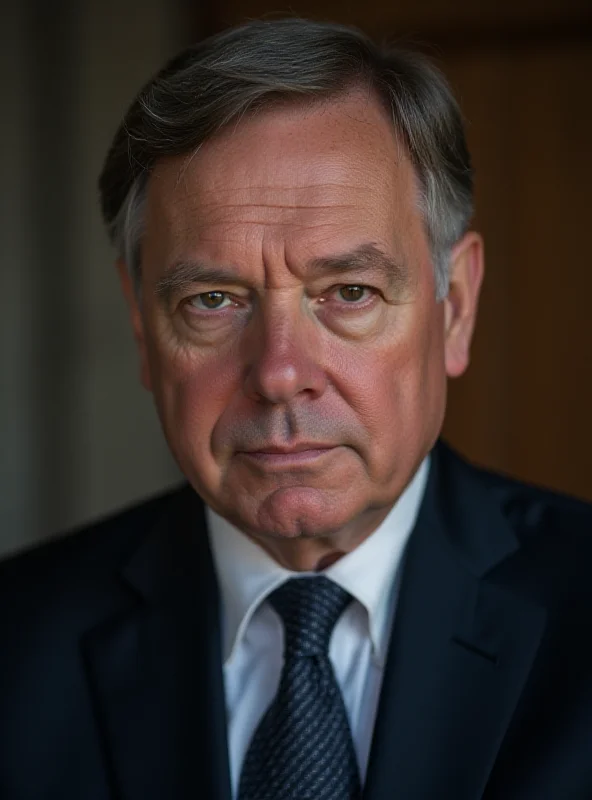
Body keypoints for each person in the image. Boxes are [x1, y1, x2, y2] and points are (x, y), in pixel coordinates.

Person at [1, 17, 591, 800]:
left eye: (349, 293)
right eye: (213, 301)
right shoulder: (13, 649)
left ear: (456, 308)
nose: (280, 374)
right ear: (143, 326)